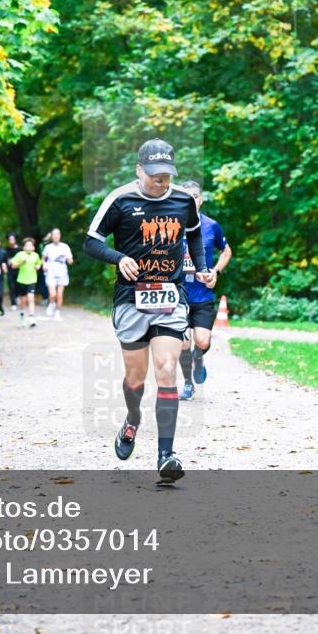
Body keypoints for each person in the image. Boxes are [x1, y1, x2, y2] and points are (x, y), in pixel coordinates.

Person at [83, 138, 215, 483]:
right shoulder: (120, 200)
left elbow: (195, 235)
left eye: (166, 175)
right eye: (155, 175)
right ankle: (131, 420)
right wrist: (119, 258)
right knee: (136, 378)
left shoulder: (183, 200)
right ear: (139, 170)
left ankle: (165, 455)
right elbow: (91, 241)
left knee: (167, 369)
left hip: (170, 296)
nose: (161, 182)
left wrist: (200, 266)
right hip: (131, 298)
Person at [175, 180, 233, 400]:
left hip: (203, 294)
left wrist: (215, 271)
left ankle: (198, 357)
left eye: (195, 196)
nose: (192, 200)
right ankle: (188, 383)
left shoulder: (211, 225)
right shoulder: (172, 225)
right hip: (178, 293)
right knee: (183, 342)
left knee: (202, 341)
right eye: (187, 196)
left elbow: (226, 251)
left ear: (201, 199)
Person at [10, 237, 43, 327]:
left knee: (31, 298)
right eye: (26, 245)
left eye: (30, 245)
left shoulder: (35, 255)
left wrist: (38, 266)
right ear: (23, 247)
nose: (28, 247)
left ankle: (31, 317)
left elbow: (39, 263)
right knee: (23, 300)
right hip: (21, 281)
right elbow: (13, 266)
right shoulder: (20, 255)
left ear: (33, 247)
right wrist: (21, 262)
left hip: (32, 280)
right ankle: (22, 314)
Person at [42, 228, 73, 321]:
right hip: (51, 272)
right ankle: (51, 304)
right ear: (52, 236)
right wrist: (44, 264)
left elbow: (70, 260)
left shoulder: (65, 247)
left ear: (60, 236)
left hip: (62, 273)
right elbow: (43, 259)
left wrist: (69, 260)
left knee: (59, 295)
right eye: (54, 234)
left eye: (57, 234)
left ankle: (57, 313)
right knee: (52, 294)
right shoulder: (48, 247)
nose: (56, 236)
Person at [4, 232, 20, 310]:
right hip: (9, 271)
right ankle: (13, 303)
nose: (11, 240)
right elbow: (4, 260)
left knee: (18, 286)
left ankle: (17, 296)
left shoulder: (19, 249)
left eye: (13, 239)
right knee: (11, 286)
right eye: (10, 239)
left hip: (19, 271)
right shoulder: (5, 250)